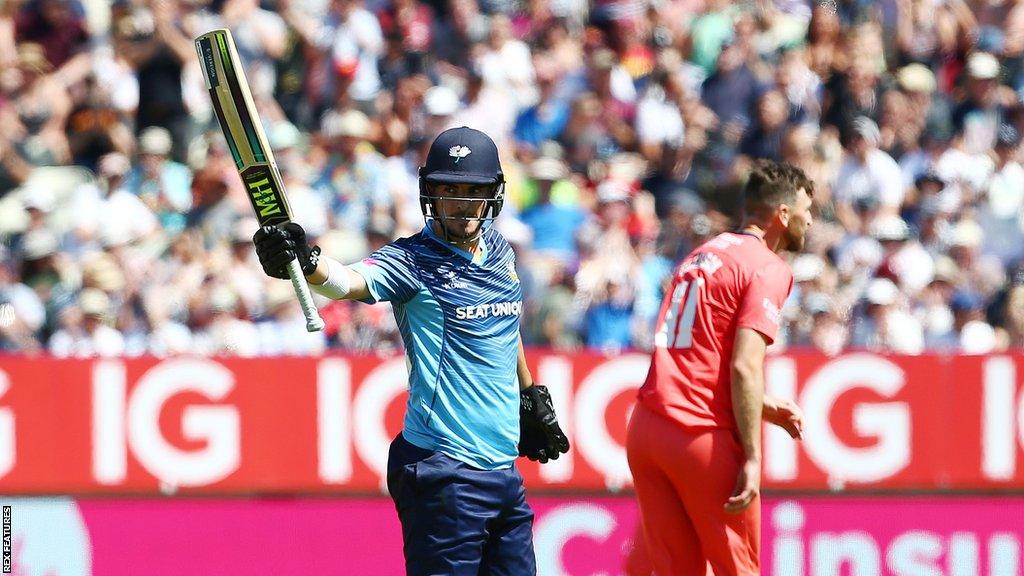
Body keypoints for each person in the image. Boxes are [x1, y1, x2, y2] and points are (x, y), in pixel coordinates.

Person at [252, 126, 570, 575]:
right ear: (429, 194)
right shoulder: (411, 261)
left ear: (494, 195)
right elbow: (347, 280)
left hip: (503, 471)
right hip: (444, 469)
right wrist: (306, 261)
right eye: (448, 190)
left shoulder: (499, 250)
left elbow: (506, 324)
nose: (460, 202)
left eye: (473, 191)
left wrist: (529, 394)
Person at [625, 160, 810, 575]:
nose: (810, 220)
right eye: (806, 211)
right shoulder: (768, 266)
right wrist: (752, 457)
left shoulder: (702, 254)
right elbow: (744, 366)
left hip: (647, 429)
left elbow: (697, 360)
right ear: (782, 214)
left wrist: (759, 404)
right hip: (700, 436)